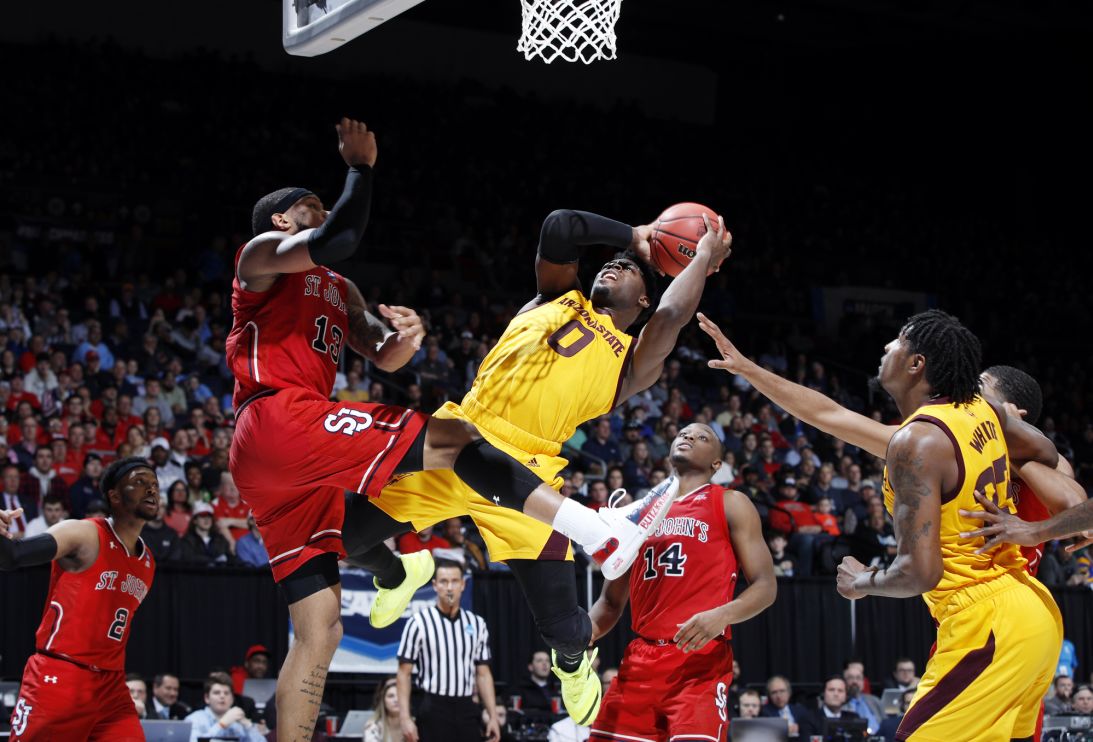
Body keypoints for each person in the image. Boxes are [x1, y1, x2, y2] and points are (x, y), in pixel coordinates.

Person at [228, 121, 678, 739]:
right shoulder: (261, 255)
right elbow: (338, 237)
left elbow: (381, 353)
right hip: (303, 417)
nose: (322, 209)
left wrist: (402, 342)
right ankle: (596, 530)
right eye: (309, 206)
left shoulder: (341, 288)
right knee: (450, 447)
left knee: (325, 614)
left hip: (526, 465)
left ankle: (407, 578)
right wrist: (359, 168)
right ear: (280, 221)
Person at [354, 207, 732, 723]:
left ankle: (574, 666)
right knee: (342, 535)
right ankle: (399, 572)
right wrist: (635, 237)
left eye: (630, 270)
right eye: (611, 264)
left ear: (643, 298)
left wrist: (703, 253)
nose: (613, 268)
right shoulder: (556, 296)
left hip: (530, 474)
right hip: (459, 438)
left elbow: (671, 316)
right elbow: (559, 226)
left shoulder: (629, 363)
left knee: (567, 630)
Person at [699, 310, 1065, 741]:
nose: (886, 347)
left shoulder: (920, 443)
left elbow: (919, 572)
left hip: (988, 624)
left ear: (916, 365)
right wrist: (748, 368)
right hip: (1032, 613)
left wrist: (862, 580)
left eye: (897, 341)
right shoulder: (975, 412)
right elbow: (829, 415)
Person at [587, 423, 777, 740]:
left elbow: (766, 585)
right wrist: (581, 635)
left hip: (699, 661)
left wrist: (723, 615)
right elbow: (610, 602)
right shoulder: (637, 512)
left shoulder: (731, 503)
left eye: (702, 437)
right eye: (682, 433)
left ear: (717, 464)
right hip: (641, 660)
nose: (688, 437)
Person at [0, 456, 157, 740]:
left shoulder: (148, 562)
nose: (151, 489)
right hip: (61, 673)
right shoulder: (83, 533)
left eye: (154, 484)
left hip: (112, 686)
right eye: (139, 482)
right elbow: (13, 556)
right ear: (115, 496)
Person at [395, 559, 499, 742]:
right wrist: (404, 717)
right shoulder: (418, 622)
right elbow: (404, 673)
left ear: (463, 584)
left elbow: (483, 674)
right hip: (433, 706)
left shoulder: (477, 624)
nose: (449, 587)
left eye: (454, 581)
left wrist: (493, 716)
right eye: (443, 581)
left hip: (467, 705)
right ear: (435, 585)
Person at [184, 676, 265, 742]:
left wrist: (248, 725)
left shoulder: (239, 724)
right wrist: (222, 724)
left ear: (232, 699)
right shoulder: (193, 720)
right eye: (217, 693)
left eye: (226, 693)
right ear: (207, 698)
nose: (222, 696)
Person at [843, 660, 884, 734]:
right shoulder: (840, 702)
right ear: (844, 681)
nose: (854, 681)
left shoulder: (874, 700)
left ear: (863, 682)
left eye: (858, 678)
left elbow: (886, 722)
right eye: (850, 678)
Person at [514, 649, 559, 717]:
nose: (544, 664)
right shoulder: (521, 689)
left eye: (547, 660)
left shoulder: (556, 689)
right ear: (530, 667)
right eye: (539, 661)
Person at [363, 677, 404, 742]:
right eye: (391, 696)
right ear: (383, 702)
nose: (396, 700)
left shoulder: (415, 725)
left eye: (400, 695)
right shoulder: (373, 726)